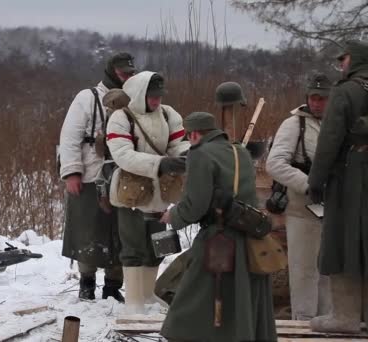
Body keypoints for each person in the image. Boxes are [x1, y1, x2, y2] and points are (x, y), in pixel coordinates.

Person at [160, 112, 277, 342]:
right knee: (238, 301)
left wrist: (172, 216)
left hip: (219, 241)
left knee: (190, 301)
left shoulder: (199, 154)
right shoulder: (239, 151)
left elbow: (195, 205)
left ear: (194, 134)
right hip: (248, 237)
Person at [106, 71, 189, 313]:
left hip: (160, 191)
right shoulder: (121, 118)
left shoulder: (167, 113)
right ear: (140, 94)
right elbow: (122, 154)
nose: (156, 101)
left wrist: (184, 155)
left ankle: (147, 294)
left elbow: (178, 142)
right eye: (152, 96)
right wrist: (160, 164)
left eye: (159, 96)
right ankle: (133, 300)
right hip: (131, 190)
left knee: (157, 245)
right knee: (132, 246)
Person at [59, 52, 136, 302]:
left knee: (120, 232)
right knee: (87, 230)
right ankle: (87, 282)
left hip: (125, 176)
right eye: (123, 71)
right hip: (91, 174)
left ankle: (114, 286)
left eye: (129, 72)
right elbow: (70, 137)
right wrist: (72, 172)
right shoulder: (88, 97)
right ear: (111, 71)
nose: (126, 76)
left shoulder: (134, 99)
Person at [308, 40, 368, 333]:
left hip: (349, 180)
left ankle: (345, 316)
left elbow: (329, 141)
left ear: (353, 59)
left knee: (343, 242)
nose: (340, 64)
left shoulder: (346, 92)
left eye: (342, 59)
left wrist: (316, 181)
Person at [266, 73, 333, 320]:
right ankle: (304, 327)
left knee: (328, 271)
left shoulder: (337, 124)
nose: (317, 103)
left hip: (333, 208)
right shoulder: (294, 124)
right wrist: (307, 185)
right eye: (313, 97)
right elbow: (274, 164)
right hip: (302, 209)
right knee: (304, 272)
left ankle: (329, 323)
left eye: (322, 98)